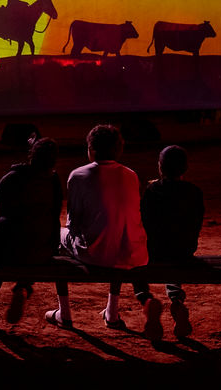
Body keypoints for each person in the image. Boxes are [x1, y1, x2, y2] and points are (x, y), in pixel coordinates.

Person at [47, 124, 153, 336]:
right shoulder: (131, 175)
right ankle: (112, 312)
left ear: (91, 150)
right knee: (115, 234)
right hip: (130, 252)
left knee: (57, 235)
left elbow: (73, 222)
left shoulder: (78, 175)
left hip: (95, 254)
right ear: (118, 149)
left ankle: (64, 312)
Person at [0, 136, 62, 324]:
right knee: (33, 230)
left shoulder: (16, 176)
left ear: (32, 156)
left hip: (9, 250)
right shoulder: (53, 180)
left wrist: (20, 169)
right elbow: (55, 212)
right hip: (40, 252)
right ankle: (23, 285)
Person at [138, 145, 205, 338]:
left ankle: (146, 300)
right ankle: (176, 301)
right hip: (184, 251)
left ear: (160, 167)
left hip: (154, 252)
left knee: (136, 264)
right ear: (185, 168)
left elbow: (144, 222)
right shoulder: (195, 192)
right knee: (174, 252)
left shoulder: (152, 191)